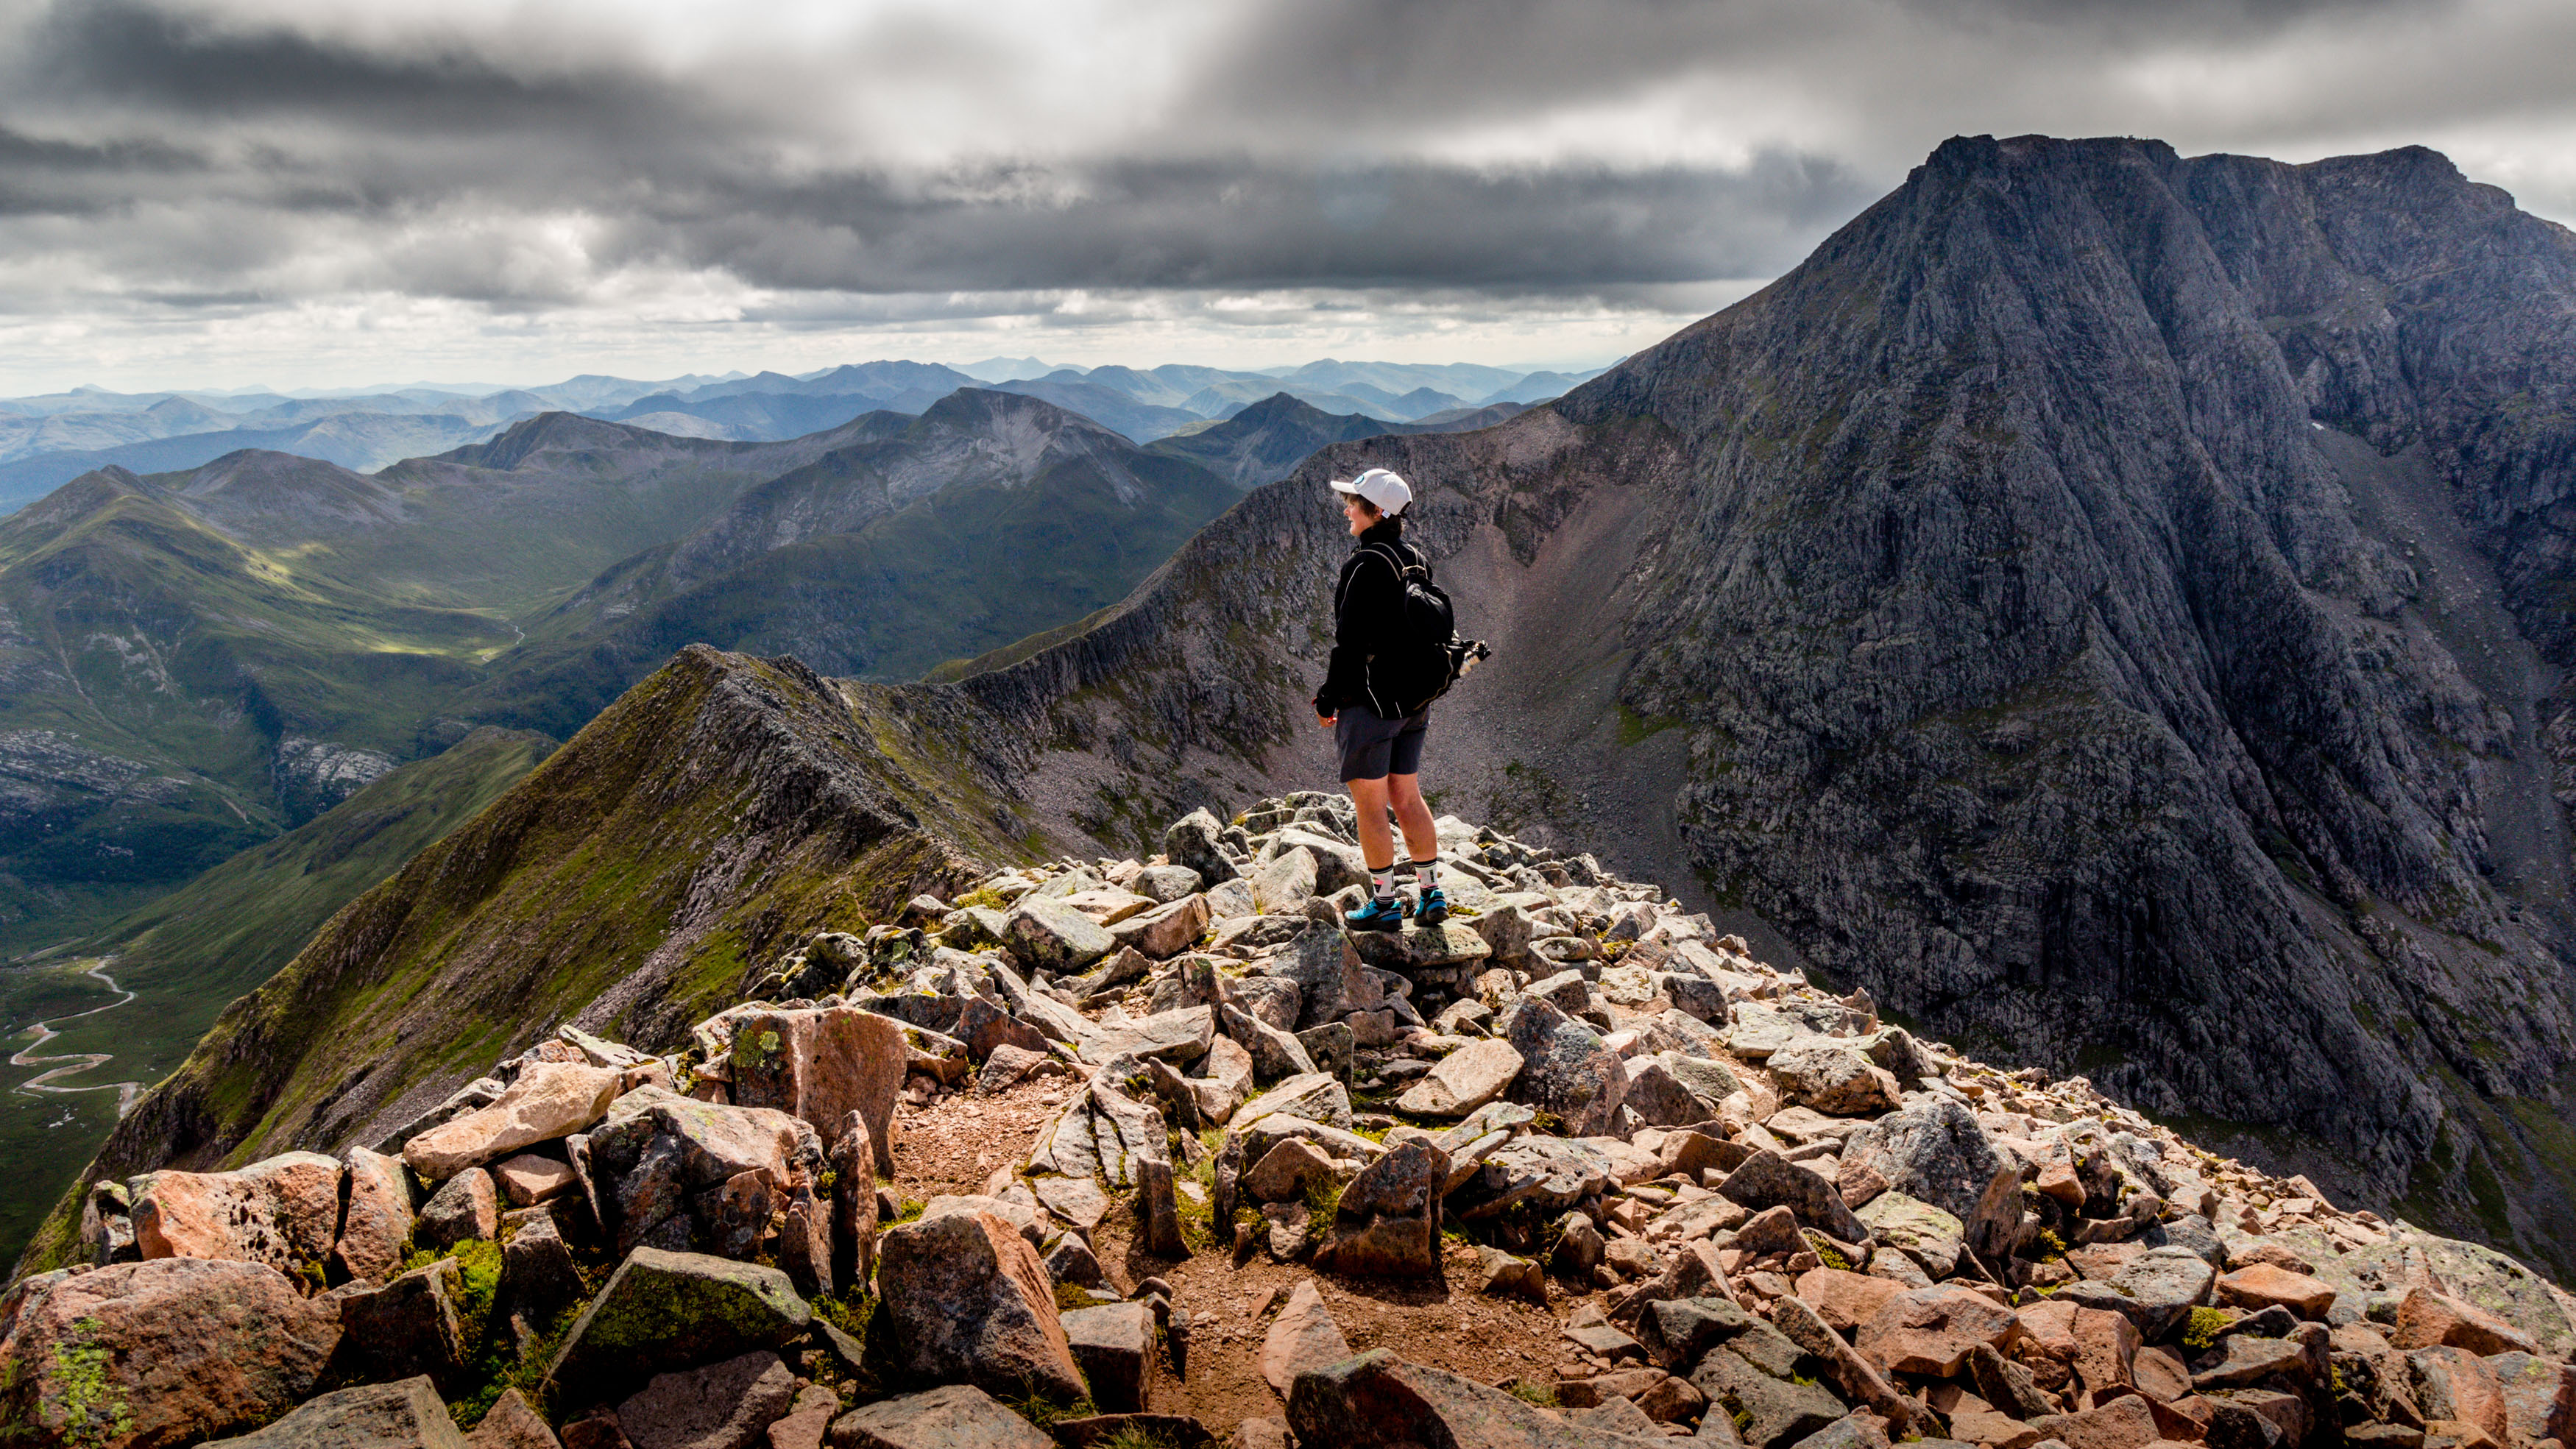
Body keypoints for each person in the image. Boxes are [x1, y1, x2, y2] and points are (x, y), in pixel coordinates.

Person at [1312, 467, 1447, 932]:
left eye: (1353, 503)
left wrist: (1328, 699)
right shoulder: (1415, 560)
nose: (1346, 510)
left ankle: (1385, 903)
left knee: (1370, 806)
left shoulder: (1363, 565)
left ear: (1376, 512)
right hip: (1414, 701)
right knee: (1407, 795)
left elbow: (1349, 645)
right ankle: (1431, 894)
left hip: (1370, 705)